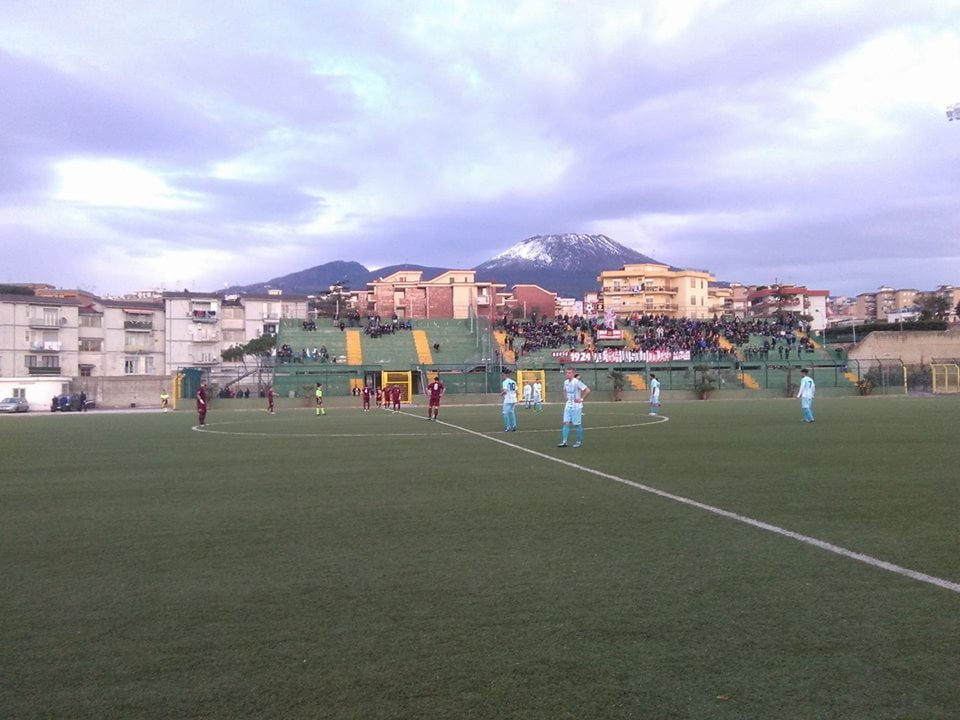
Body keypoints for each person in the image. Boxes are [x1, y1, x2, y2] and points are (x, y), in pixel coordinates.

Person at [558, 367, 590, 448]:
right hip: (568, 405)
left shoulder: (577, 382)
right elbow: (564, 390)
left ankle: (578, 442)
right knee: (566, 422)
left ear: (573, 374)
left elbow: (587, 390)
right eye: (566, 372)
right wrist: (566, 397)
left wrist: (581, 399)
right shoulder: (565, 382)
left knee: (577, 424)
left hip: (576, 406)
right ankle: (564, 441)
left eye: (569, 373)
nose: (567, 374)